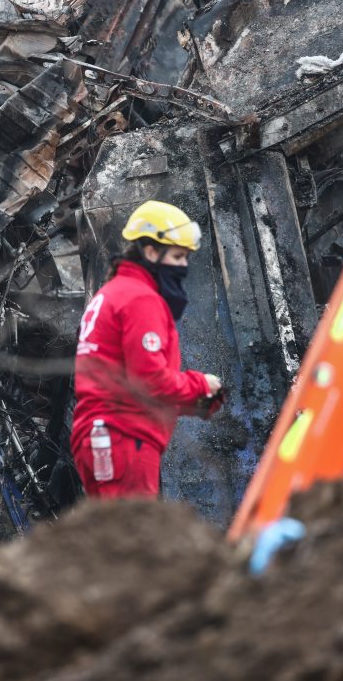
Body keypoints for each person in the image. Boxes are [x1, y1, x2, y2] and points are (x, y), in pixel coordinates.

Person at [72, 201, 223, 498]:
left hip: (102, 437)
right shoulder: (139, 298)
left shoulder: (112, 293)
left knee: (116, 539)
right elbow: (149, 380)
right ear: (151, 251)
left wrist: (199, 403)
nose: (184, 266)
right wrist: (201, 385)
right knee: (136, 540)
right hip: (124, 439)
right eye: (178, 256)